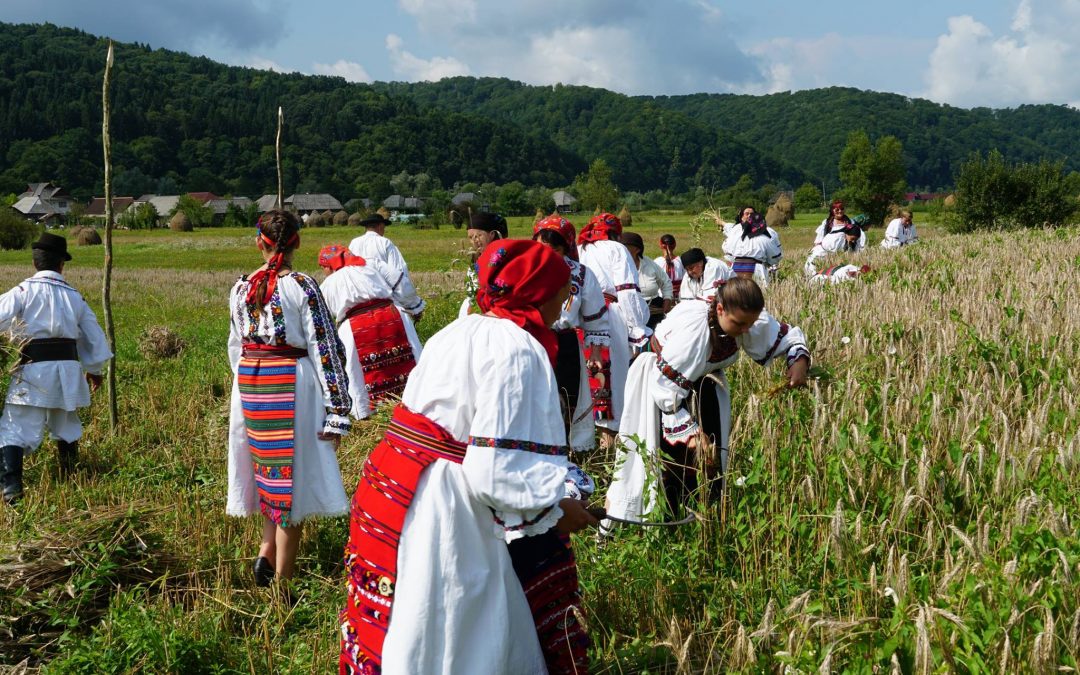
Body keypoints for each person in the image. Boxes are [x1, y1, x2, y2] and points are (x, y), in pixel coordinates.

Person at [340, 239, 598, 675]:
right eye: (561, 293)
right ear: (540, 293)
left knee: (412, 611)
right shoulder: (519, 349)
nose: (564, 303)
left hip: (398, 481)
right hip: (448, 504)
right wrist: (554, 510)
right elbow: (497, 472)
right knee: (462, 621)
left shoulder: (459, 330)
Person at [604, 278, 811, 526]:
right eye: (740, 324)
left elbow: (783, 337)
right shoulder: (695, 330)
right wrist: (690, 433)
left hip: (704, 386)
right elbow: (665, 387)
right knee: (664, 462)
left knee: (710, 458)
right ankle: (660, 525)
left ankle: (701, 519)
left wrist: (798, 361)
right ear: (720, 309)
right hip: (657, 391)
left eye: (751, 323)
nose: (746, 330)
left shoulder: (743, 318)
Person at [227, 210, 353, 587]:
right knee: (291, 481)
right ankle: (283, 582)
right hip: (291, 384)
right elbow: (326, 348)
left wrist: (246, 384)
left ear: (258, 243)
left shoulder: (239, 289)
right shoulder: (303, 286)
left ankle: (267, 549)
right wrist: (337, 410)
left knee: (269, 472)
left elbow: (236, 348)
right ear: (297, 242)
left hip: (251, 383)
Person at [0, 233, 112, 504]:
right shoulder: (75, 297)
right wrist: (95, 368)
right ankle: (70, 478)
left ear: (34, 262)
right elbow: (94, 336)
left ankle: (12, 489)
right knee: (66, 424)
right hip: (68, 371)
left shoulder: (23, 292)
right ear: (62, 264)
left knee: (15, 427)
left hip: (33, 371)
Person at [577, 212, 651, 449]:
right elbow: (628, 291)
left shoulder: (579, 249)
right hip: (609, 317)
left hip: (581, 318)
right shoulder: (616, 249)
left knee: (584, 382)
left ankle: (585, 448)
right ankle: (609, 447)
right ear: (615, 233)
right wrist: (638, 327)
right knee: (612, 382)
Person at [533, 215, 606, 452]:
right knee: (537, 396)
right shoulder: (528, 272)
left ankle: (567, 452)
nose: (548, 253)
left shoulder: (581, 275)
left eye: (554, 248)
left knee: (567, 397)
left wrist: (595, 353)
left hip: (565, 344)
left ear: (566, 247)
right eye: (542, 247)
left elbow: (595, 318)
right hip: (534, 341)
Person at [317, 244, 422, 408]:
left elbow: (321, 318)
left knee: (361, 375)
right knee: (408, 362)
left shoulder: (327, 285)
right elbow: (400, 282)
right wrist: (413, 307)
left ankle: (368, 411)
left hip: (354, 327)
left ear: (328, 266)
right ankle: (415, 403)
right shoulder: (371, 264)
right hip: (392, 315)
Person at [348, 214, 425, 322]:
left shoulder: (354, 243)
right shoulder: (385, 242)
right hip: (383, 298)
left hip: (358, 297)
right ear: (380, 226)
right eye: (384, 227)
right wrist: (411, 304)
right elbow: (399, 272)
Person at [458, 211, 508, 317]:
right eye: (470, 237)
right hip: (473, 311)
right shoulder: (475, 260)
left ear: (492, 235)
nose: (474, 241)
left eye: (478, 235)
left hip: (495, 313)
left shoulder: (504, 259)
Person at [622, 231, 673, 329]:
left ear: (637, 249)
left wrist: (667, 299)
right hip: (628, 314)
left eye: (625, 247)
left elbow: (666, 282)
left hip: (654, 312)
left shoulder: (649, 264)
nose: (621, 250)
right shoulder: (617, 266)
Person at [722, 207, 782, 288]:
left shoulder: (737, 235)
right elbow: (776, 257)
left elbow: (727, 251)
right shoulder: (765, 239)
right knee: (757, 295)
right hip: (757, 268)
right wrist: (768, 263)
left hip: (736, 268)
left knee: (736, 295)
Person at [654, 234, 685, 299]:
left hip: (662, 296)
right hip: (680, 295)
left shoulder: (656, 262)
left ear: (660, 245)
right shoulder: (681, 260)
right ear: (675, 245)